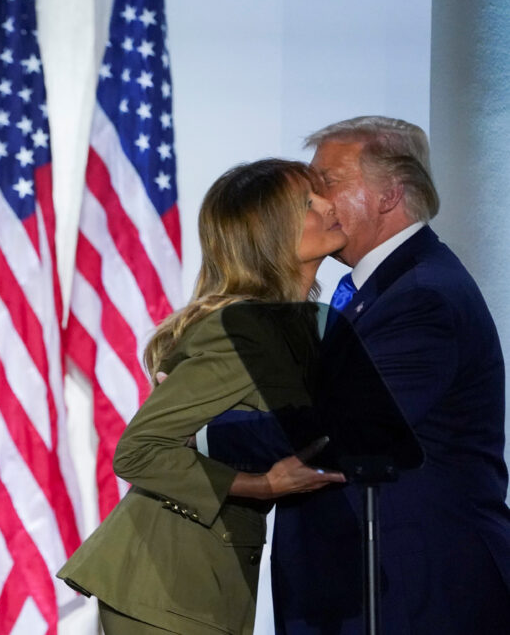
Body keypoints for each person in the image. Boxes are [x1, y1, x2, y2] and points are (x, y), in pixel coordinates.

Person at [206, 116, 510, 633]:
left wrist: (204, 430)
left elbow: (336, 429)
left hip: (413, 592)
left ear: (388, 196)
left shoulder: (422, 297)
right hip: (363, 587)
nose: (316, 203)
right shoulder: (377, 291)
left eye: (326, 185)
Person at [58, 158, 348, 635]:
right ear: (269, 234)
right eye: (307, 204)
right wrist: (263, 486)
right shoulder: (246, 330)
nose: (327, 207)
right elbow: (139, 450)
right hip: (166, 582)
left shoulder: (284, 325)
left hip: (194, 580)